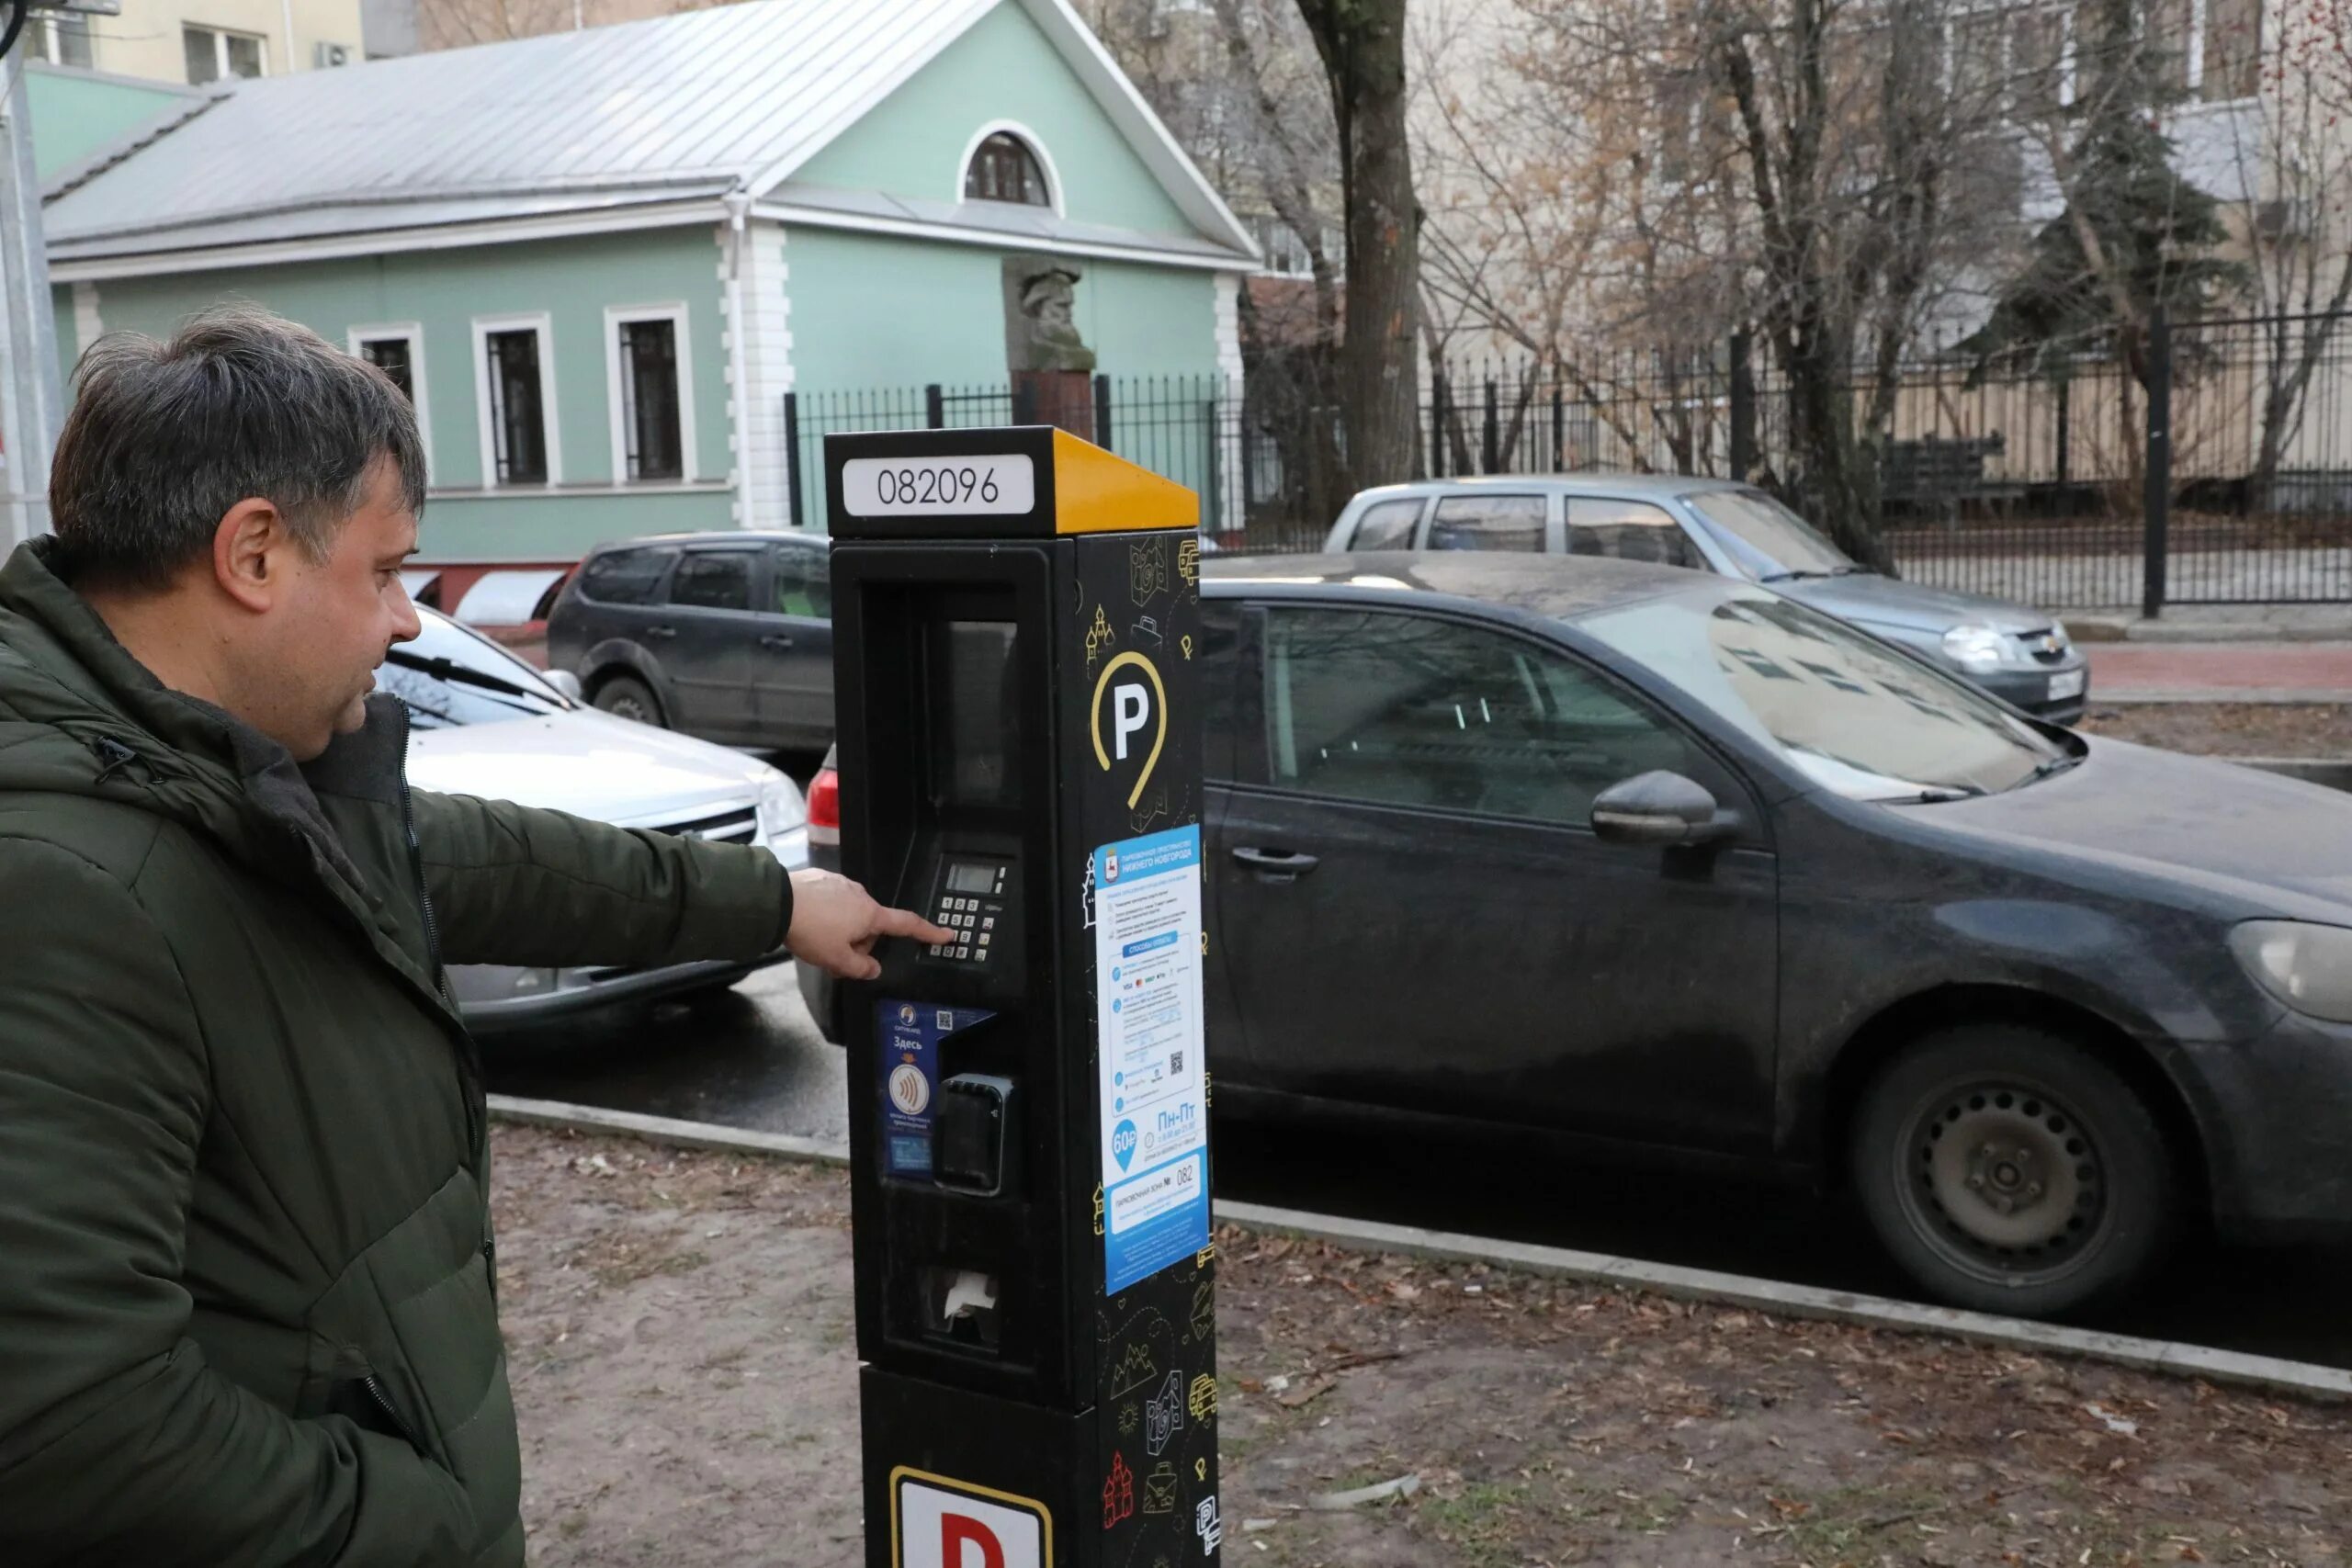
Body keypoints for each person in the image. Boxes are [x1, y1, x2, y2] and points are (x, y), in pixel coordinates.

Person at [0, 306, 945, 1566]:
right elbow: (74, 1428)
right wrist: (422, 1522)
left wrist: (775, 903)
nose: (405, 621)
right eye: (386, 571)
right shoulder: (63, 887)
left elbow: (493, 861)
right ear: (256, 554)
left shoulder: (235, 783)